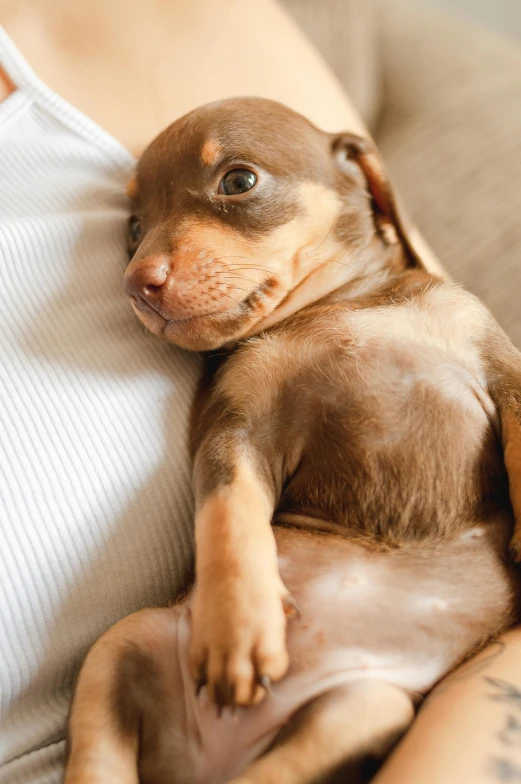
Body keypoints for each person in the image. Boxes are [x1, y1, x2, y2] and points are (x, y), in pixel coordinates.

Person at [0, 1, 520, 782]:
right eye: (136, 231)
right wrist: (230, 573)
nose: (146, 269)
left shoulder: (436, 310)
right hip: (177, 693)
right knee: (128, 644)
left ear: (364, 181)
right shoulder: (258, 357)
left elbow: (508, 397)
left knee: (367, 709)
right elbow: (230, 455)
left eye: (235, 184)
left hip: (391, 692)